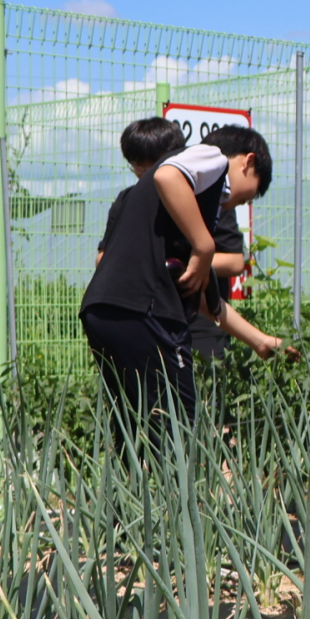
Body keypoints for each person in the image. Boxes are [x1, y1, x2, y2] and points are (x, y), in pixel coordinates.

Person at [80, 123, 273, 422]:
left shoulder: (154, 208)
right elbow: (167, 175)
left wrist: (260, 341)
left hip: (102, 311)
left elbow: (206, 300)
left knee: (137, 427)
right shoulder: (214, 158)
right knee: (179, 430)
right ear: (248, 162)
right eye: (249, 196)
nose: (237, 203)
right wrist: (204, 245)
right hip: (147, 314)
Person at [96, 118, 287, 363]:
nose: (147, 175)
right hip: (143, 317)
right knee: (173, 399)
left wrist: (196, 259)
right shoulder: (131, 202)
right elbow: (104, 258)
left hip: (172, 320)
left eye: (152, 166)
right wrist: (198, 250)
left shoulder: (212, 198)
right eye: (137, 167)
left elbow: (213, 286)